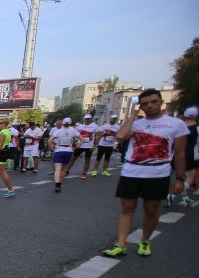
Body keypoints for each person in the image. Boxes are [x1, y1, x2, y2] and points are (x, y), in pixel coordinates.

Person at [103, 89, 188, 257]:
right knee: (127, 207)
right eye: (145, 103)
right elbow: (120, 136)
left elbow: (180, 153)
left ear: (161, 102)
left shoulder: (175, 124)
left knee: (151, 209)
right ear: (140, 106)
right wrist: (132, 116)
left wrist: (180, 178)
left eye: (154, 102)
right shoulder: (135, 124)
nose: (150, 106)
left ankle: (145, 240)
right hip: (132, 171)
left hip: (158, 173)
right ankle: (121, 244)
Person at [47, 117, 81, 193]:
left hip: (59, 150)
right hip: (68, 151)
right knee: (63, 169)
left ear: (63, 123)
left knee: (57, 169)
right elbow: (82, 140)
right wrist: (76, 147)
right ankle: (60, 184)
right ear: (70, 123)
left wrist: (53, 149)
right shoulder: (73, 131)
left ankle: (57, 184)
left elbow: (49, 141)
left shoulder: (58, 131)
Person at [66, 114, 97, 178]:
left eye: (88, 119)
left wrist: (95, 146)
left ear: (91, 119)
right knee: (73, 159)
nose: (87, 120)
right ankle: (67, 171)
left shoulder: (95, 126)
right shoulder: (79, 127)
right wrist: (74, 142)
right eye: (86, 119)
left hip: (89, 146)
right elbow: (74, 135)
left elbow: (99, 135)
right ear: (84, 119)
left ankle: (84, 173)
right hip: (80, 145)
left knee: (87, 160)